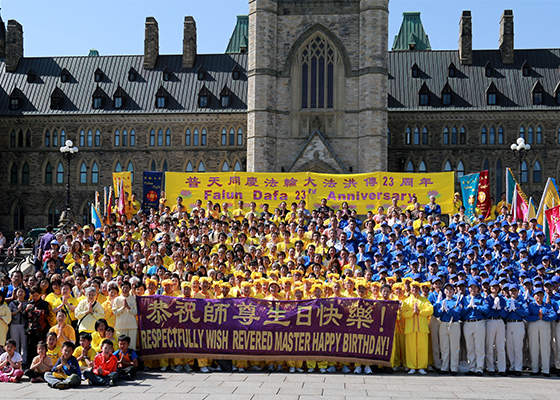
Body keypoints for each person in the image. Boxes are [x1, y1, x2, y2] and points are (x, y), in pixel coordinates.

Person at [401, 281, 433, 375]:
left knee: (422, 348)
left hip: (422, 328)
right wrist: (412, 313)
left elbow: (430, 310)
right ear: (410, 289)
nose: (414, 289)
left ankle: (421, 367)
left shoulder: (424, 300)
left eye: (416, 288)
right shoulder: (406, 301)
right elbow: (403, 314)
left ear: (419, 289)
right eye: (413, 287)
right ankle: (411, 366)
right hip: (410, 328)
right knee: (411, 348)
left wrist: (419, 312)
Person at [461, 279, 489, 376]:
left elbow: (486, 309)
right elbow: (462, 311)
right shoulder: (465, 299)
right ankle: (472, 367)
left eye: (475, 287)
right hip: (468, 322)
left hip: (478, 322)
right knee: (470, 347)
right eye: (471, 287)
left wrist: (477, 307)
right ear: (468, 289)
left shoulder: (481, 299)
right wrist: (469, 307)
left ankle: (479, 368)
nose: (473, 289)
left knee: (479, 346)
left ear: (478, 289)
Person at [433, 282, 462, 375]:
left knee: (454, 347)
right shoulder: (442, 302)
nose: (448, 291)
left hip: (454, 324)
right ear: (444, 291)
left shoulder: (457, 301)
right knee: (444, 347)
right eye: (447, 289)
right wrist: (441, 309)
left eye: (450, 289)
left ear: (454, 291)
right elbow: (436, 313)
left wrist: (448, 310)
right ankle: (444, 367)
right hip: (443, 324)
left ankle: (454, 368)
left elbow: (457, 313)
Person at [112, 281, 138, 349]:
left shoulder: (133, 299)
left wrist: (128, 307)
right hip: (120, 326)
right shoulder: (117, 299)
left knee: (132, 346)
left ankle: (133, 359)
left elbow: (136, 312)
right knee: (121, 347)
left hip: (132, 325)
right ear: (121, 288)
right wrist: (123, 308)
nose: (125, 289)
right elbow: (115, 312)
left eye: (127, 288)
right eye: (123, 287)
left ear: (130, 289)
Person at [9, 287, 28, 365]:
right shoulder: (12, 303)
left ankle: (24, 361)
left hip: (24, 325)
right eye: (19, 292)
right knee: (15, 344)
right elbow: (9, 314)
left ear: (25, 293)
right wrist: (18, 310)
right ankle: (15, 360)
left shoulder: (27, 303)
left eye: (22, 292)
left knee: (24, 343)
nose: (20, 293)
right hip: (14, 325)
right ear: (16, 293)